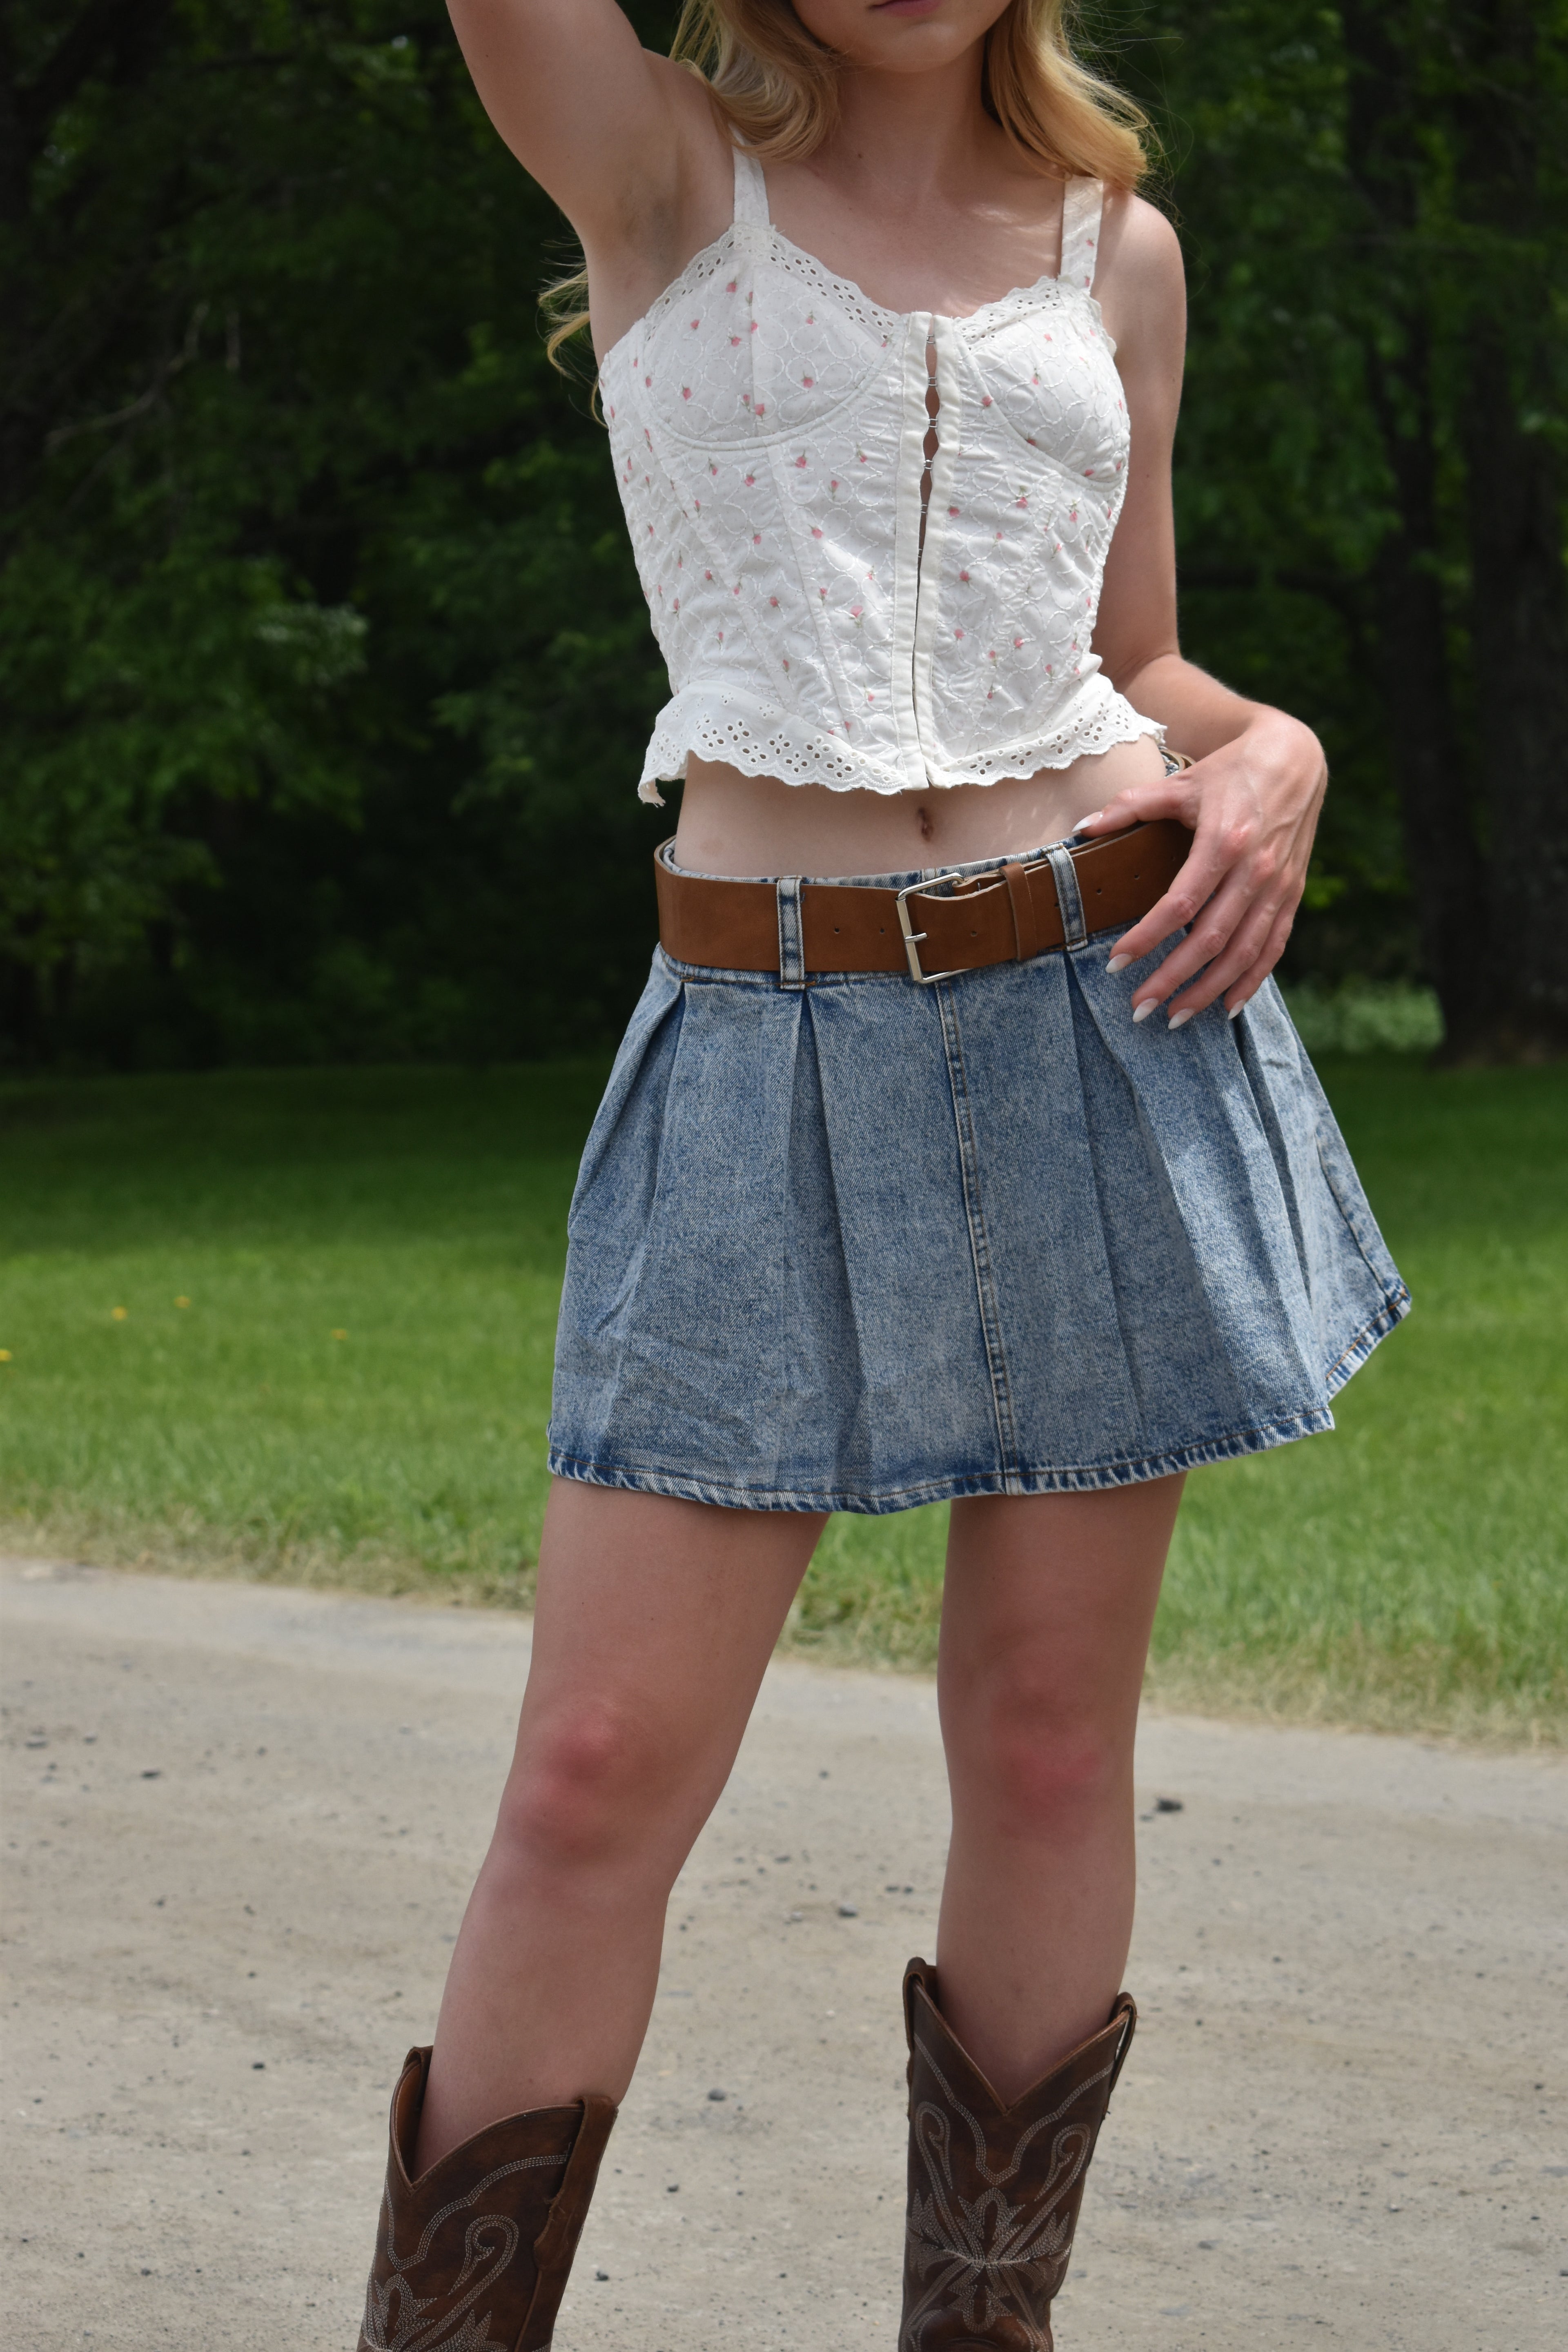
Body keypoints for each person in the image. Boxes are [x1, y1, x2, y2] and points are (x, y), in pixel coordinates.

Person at [354, 2, 1410, 2345]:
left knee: (1043, 1740)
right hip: (758, 1038)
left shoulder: (1122, 252)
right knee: (594, 1770)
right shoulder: (658, 176)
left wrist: (1279, 749)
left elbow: (1136, 661)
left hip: (1097, 1017)